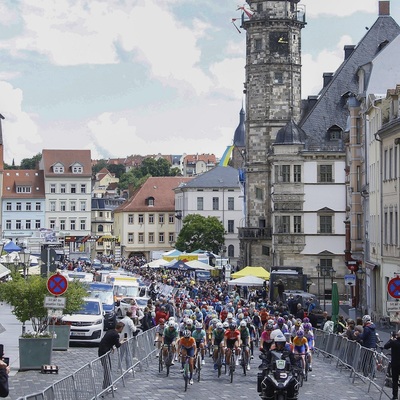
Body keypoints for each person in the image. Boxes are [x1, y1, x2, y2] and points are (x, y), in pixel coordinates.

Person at [262, 332, 299, 400]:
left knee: (293, 381)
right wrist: (265, 364)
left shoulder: (289, 352)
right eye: (278, 343)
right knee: (266, 380)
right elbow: (266, 360)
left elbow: (293, 361)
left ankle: (292, 395)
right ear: (275, 343)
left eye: (281, 343)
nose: (280, 345)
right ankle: (266, 394)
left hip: (286, 372)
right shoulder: (271, 352)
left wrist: (295, 366)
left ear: (284, 343)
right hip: (274, 372)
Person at [98, 321, 125, 393]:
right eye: (123, 328)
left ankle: (108, 385)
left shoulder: (110, 331)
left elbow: (107, 340)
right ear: (121, 328)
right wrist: (122, 341)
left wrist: (111, 347)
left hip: (101, 351)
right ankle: (107, 387)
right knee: (107, 370)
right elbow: (118, 345)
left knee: (108, 369)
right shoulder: (116, 335)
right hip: (104, 353)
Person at [384, 330, 400, 400]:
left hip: (395, 364)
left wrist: (391, 339)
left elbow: (386, 346)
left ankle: (395, 396)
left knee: (395, 380)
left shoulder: (394, 342)